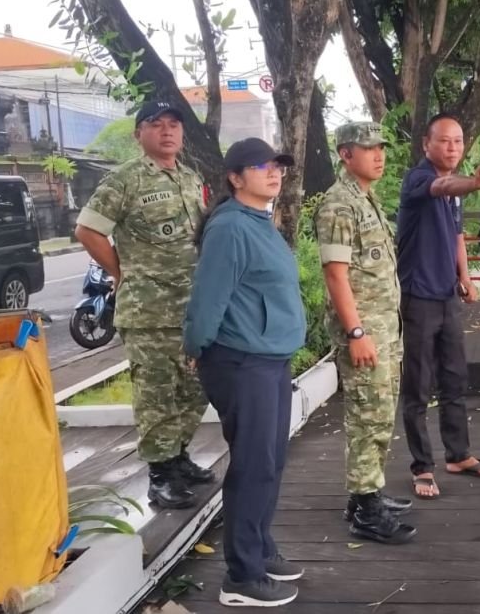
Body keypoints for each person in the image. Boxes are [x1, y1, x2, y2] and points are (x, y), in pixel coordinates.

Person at [183, 137, 306, 608]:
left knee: (270, 462)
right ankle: (241, 576)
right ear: (236, 178)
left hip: (269, 359)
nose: (274, 173)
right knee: (254, 466)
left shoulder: (259, 221)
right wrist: (197, 347)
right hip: (242, 362)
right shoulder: (230, 227)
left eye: (277, 166)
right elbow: (208, 297)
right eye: (261, 166)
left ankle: (259, 548)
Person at [74, 100, 213, 510]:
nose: (167, 131)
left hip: (190, 307)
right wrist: (121, 272)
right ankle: (160, 475)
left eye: (174, 125)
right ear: (139, 134)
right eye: (156, 125)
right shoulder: (125, 180)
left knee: (194, 388)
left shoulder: (190, 178)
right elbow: (87, 230)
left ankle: (179, 456)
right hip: (149, 310)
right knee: (157, 394)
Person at [314, 122, 416, 545]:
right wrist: (356, 332)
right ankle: (367, 512)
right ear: (344, 154)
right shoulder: (339, 204)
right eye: (367, 148)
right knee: (367, 415)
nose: (378, 155)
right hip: (365, 330)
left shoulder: (365, 199)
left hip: (383, 327)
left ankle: (365, 494)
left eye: (381, 148)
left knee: (379, 413)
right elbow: (336, 275)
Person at [396, 113, 480, 500]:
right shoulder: (419, 179)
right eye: (444, 141)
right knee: (418, 385)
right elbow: (443, 186)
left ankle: (458, 455)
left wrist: (466, 277)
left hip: (446, 294)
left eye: (458, 141)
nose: (453, 148)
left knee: (455, 377)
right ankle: (422, 467)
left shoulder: (455, 193)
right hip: (418, 295)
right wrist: (475, 182)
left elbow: (457, 235)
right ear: (427, 144)